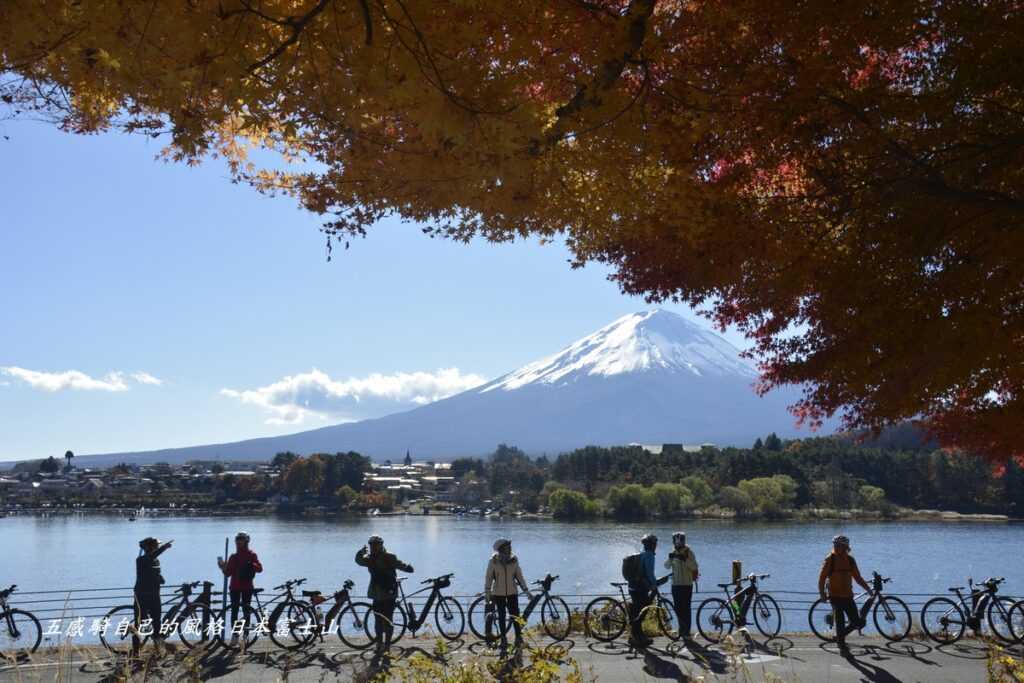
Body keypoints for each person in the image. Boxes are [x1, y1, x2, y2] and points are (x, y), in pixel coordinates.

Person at [355, 535, 414, 658]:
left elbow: (399, 564)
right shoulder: (372, 558)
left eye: (375, 544)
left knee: (387, 620)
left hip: (387, 594)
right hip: (380, 594)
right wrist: (360, 552)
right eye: (371, 544)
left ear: (381, 544)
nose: (373, 547)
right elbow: (359, 561)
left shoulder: (386, 557)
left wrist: (408, 567)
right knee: (379, 620)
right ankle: (380, 644)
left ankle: (386, 645)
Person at [818, 534, 871, 649]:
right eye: (835, 545)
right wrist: (822, 594)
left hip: (847, 595)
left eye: (839, 545)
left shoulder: (850, 560)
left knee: (858, 622)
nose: (836, 547)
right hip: (835, 595)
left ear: (846, 547)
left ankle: (839, 636)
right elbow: (822, 578)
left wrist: (867, 589)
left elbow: (858, 578)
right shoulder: (830, 559)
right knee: (840, 622)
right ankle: (841, 644)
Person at [484, 538, 532, 653]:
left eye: (510, 546)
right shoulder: (493, 561)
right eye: (507, 546)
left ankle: (518, 638)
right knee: (501, 616)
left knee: (515, 616)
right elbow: (489, 577)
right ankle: (503, 638)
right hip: (498, 593)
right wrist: (487, 591)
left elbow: (519, 577)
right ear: (501, 548)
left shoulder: (514, 560)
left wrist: (526, 591)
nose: (510, 548)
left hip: (512, 592)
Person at [217, 531, 263, 644]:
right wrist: (222, 567)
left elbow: (260, 568)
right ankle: (235, 635)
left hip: (247, 587)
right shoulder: (233, 557)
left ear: (246, 541)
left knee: (246, 611)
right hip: (235, 587)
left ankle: (246, 635)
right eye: (237, 540)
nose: (238, 542)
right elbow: (227, 573)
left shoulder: (252, 555)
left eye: (241, 539)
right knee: (235, 612)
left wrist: (252, 564)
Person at [134, 537, 172, 655]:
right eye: (157, 546)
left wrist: (161, 579)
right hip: (142, 595)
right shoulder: (140, 560)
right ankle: (136, 651)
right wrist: (164, 548)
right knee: (139, 622)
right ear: (151, 547)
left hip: (155, 594)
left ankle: (159, 649)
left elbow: (156, 573)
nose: (158, 547)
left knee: (157, 622)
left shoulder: (155, 561)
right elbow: (150, 558)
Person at [628, 533, 666, 648]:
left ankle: (639, 636)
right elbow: (649, 573)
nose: (656, 546)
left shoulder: (641, 553)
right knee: (642, 612)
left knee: (639, 611)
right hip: (640, 588)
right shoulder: (649, 555)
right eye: (655, 543)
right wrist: (654, 585)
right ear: (652, 545)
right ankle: (635, 638)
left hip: (633, 586)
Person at [665, 531, 699, 640]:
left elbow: (694, 566)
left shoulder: (689, 552)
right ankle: (681, 630)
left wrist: (684, 559)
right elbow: (666, 566)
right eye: (675, 540)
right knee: (678, 609)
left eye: (679, 540)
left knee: (686, 608)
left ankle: (687, 632)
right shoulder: (673, 552)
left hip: (686, 585)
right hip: (675, 585)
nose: (677, 543)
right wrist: (670, 558)